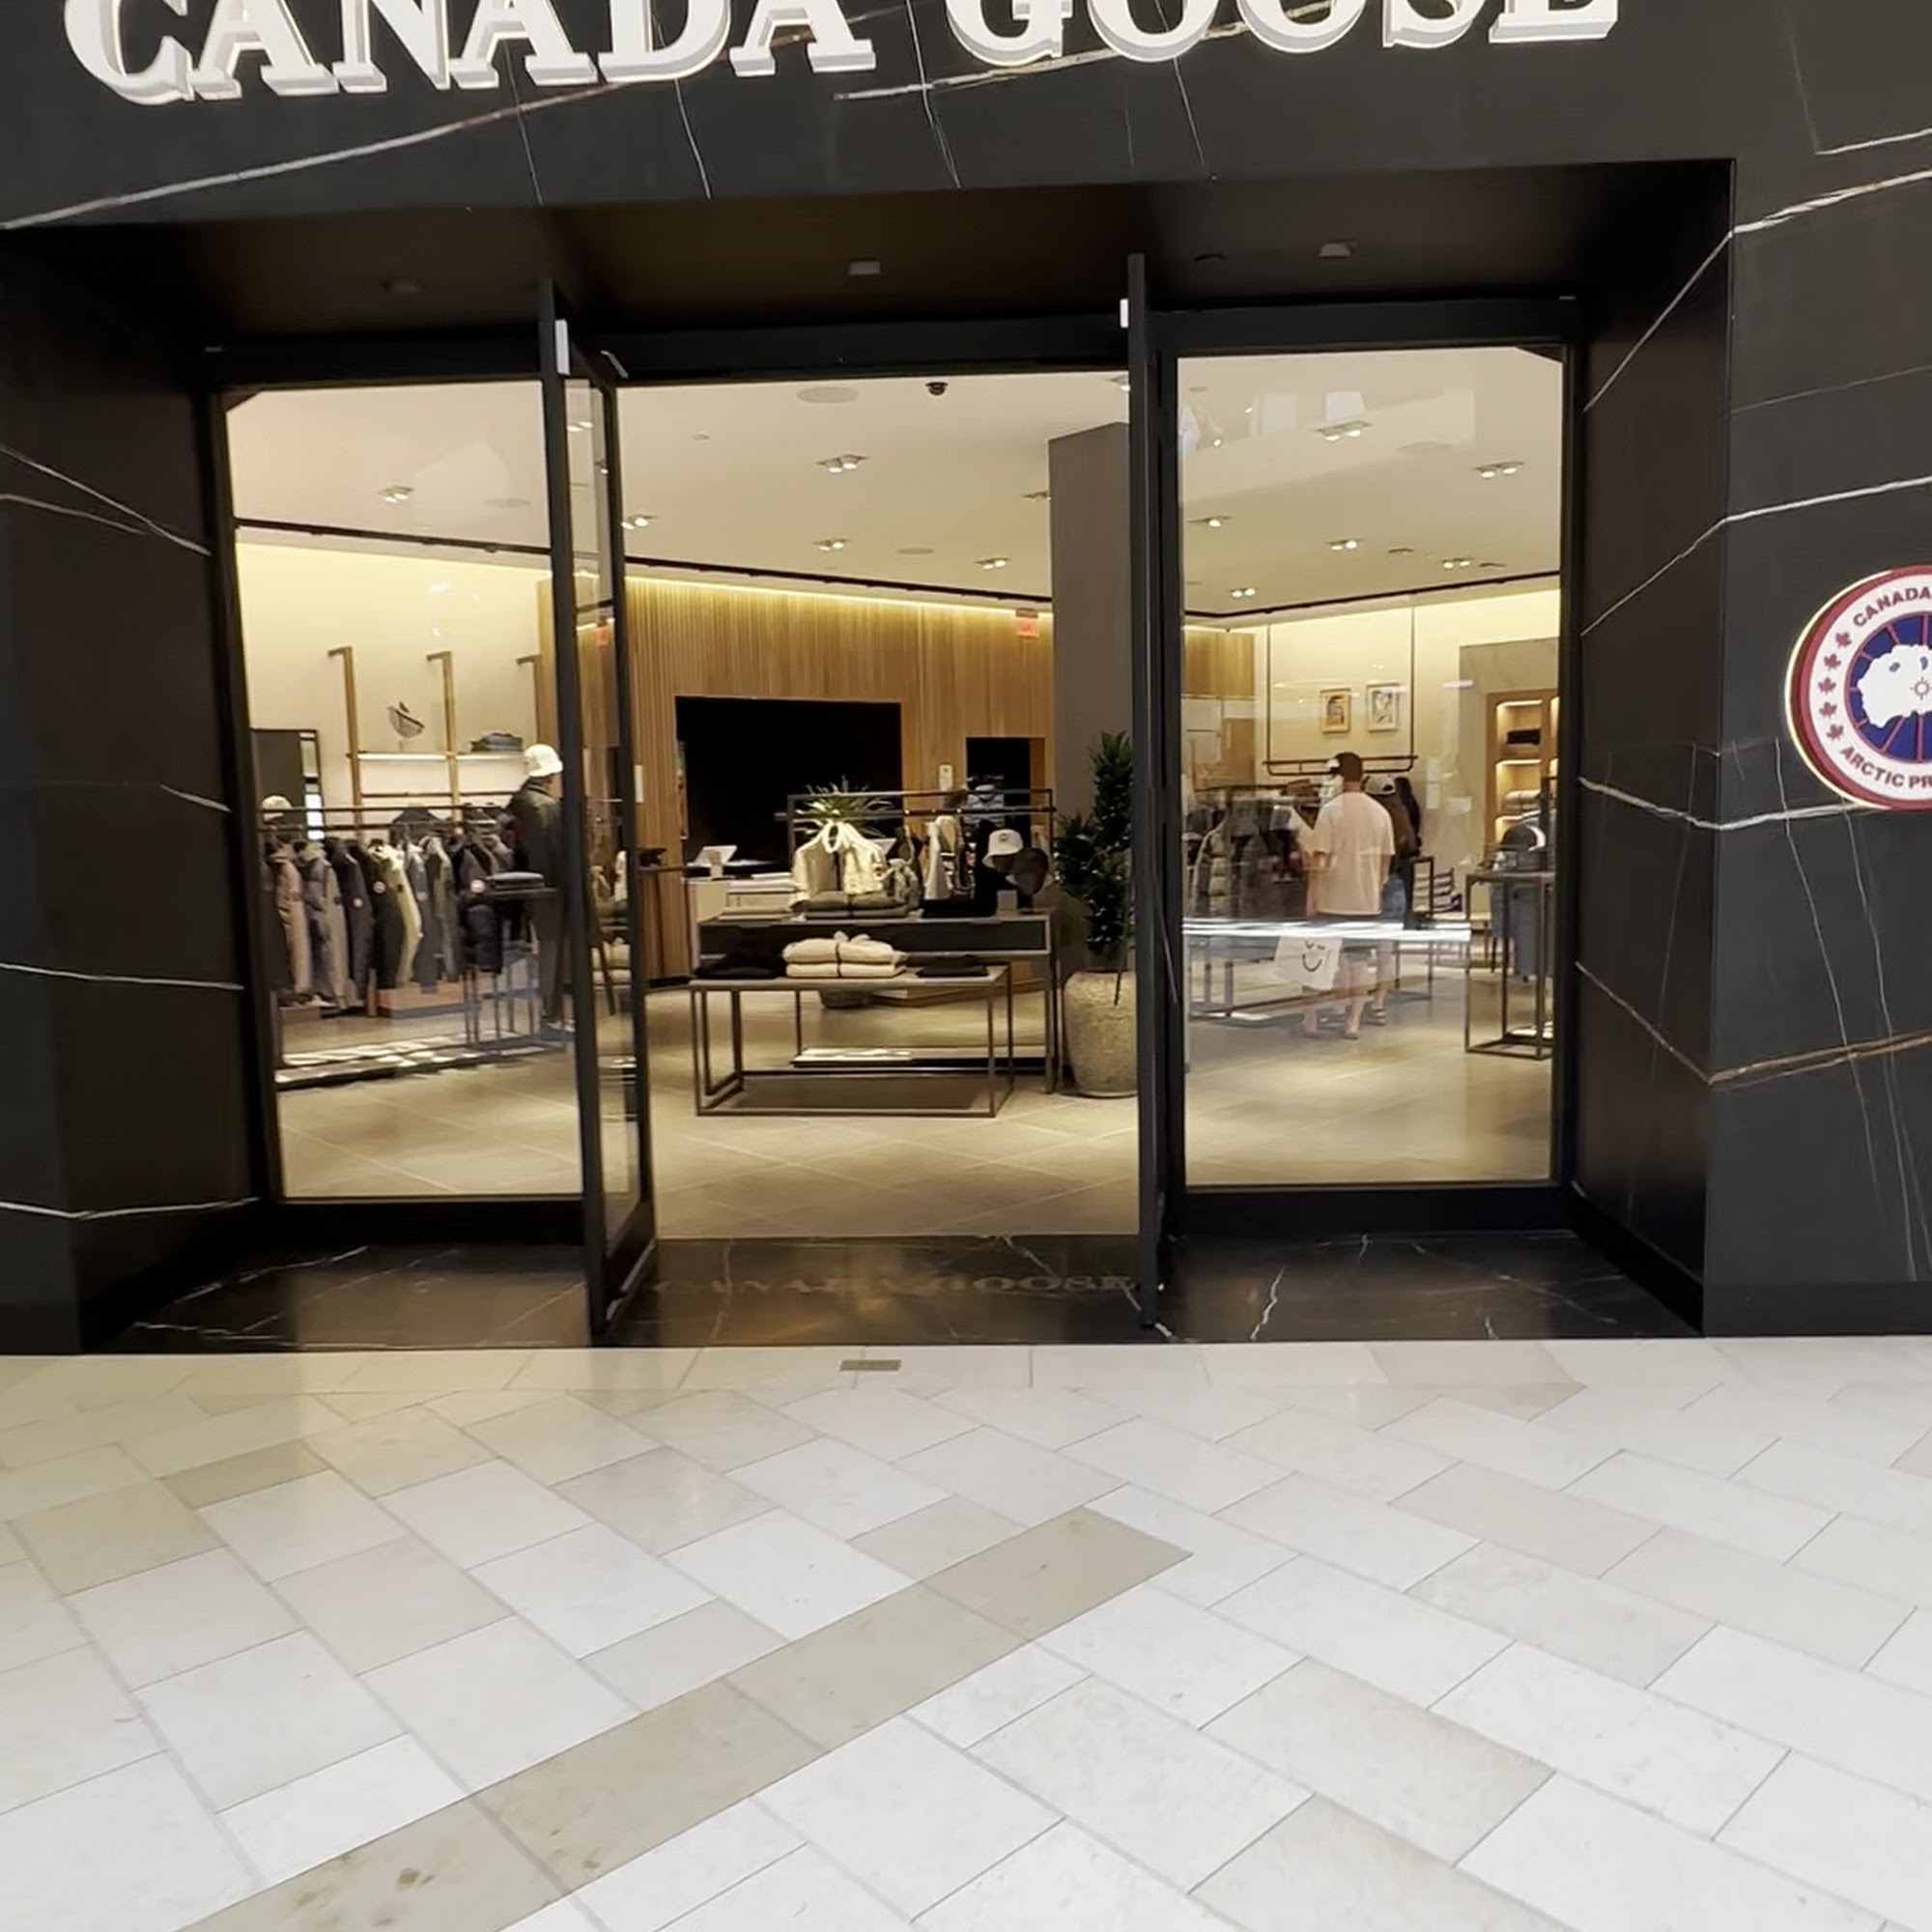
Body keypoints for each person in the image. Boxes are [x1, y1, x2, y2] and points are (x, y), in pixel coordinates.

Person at [1304, 751, 1395, 1040]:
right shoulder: (1380, 813)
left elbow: (1319, 858)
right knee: (1359, 964)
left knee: (1317, 961)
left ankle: (1311, 1019)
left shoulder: (1331, 811)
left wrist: (1312, 896)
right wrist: (1375, 887)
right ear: (1362, 775)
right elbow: (1385, 860)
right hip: (1366, 901)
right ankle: (1353, 1021)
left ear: (1338, 776)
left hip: (1331, 899)